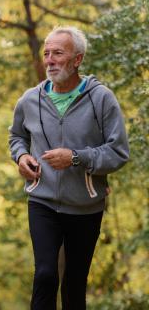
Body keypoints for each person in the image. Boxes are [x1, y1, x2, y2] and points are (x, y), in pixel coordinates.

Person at [9, 26, 129, 310]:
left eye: (58, 54)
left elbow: (118, 152)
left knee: (74, 283)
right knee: (46, 274)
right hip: (43, 200)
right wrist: (21, 157)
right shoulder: (30, 99)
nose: (49, 60)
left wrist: (76, 157)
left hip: (86, 205)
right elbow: (16, 136)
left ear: (77, 59)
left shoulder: (101, 98)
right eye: (46, 53)